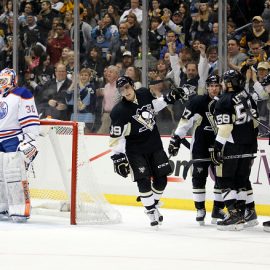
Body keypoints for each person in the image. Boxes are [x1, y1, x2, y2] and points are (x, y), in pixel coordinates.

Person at [109, 75, 184, 227]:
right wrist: (118, 157)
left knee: (161, 180)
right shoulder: (119, 111)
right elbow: (116, 138)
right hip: (135, 150)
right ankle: (150, 211)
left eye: (127, 88)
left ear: (132, 86)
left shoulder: (144, 93)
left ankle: (153, 204)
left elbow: (155, 106)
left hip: (154, 144)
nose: (126, 92)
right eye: (121, 90)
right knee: (143, 181)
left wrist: (169, 98)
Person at [168, 75, 225, 225]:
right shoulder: (198, 102)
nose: (213, 88)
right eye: (211, 85)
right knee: (199, 178)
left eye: (216, 85)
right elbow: (185, 122)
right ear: (207, 87)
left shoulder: (226, 101)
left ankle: (218, 209)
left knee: (221, 179)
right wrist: (177, 138)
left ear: (221, 87)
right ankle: (200, 209)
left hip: (220, 146)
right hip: (200, 147)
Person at [210, 70, 259, 231]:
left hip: (231, 146)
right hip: (248, 145)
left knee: (225, 180)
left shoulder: (224, 100)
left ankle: (234, 214)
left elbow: (225, 128)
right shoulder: (246, 95)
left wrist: (217, 147)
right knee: (241, 180)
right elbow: (256, 122)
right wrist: (253, 144)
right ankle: (247, 213)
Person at [0, 68, 40, 222]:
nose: (2, 83)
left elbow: (30, 118)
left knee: (14, 175)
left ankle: (20, 209)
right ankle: (2, 206)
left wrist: (30, 140)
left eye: (5, 80)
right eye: (0, 79)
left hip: (13, 139)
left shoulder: (22, 94)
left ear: (13, 80)